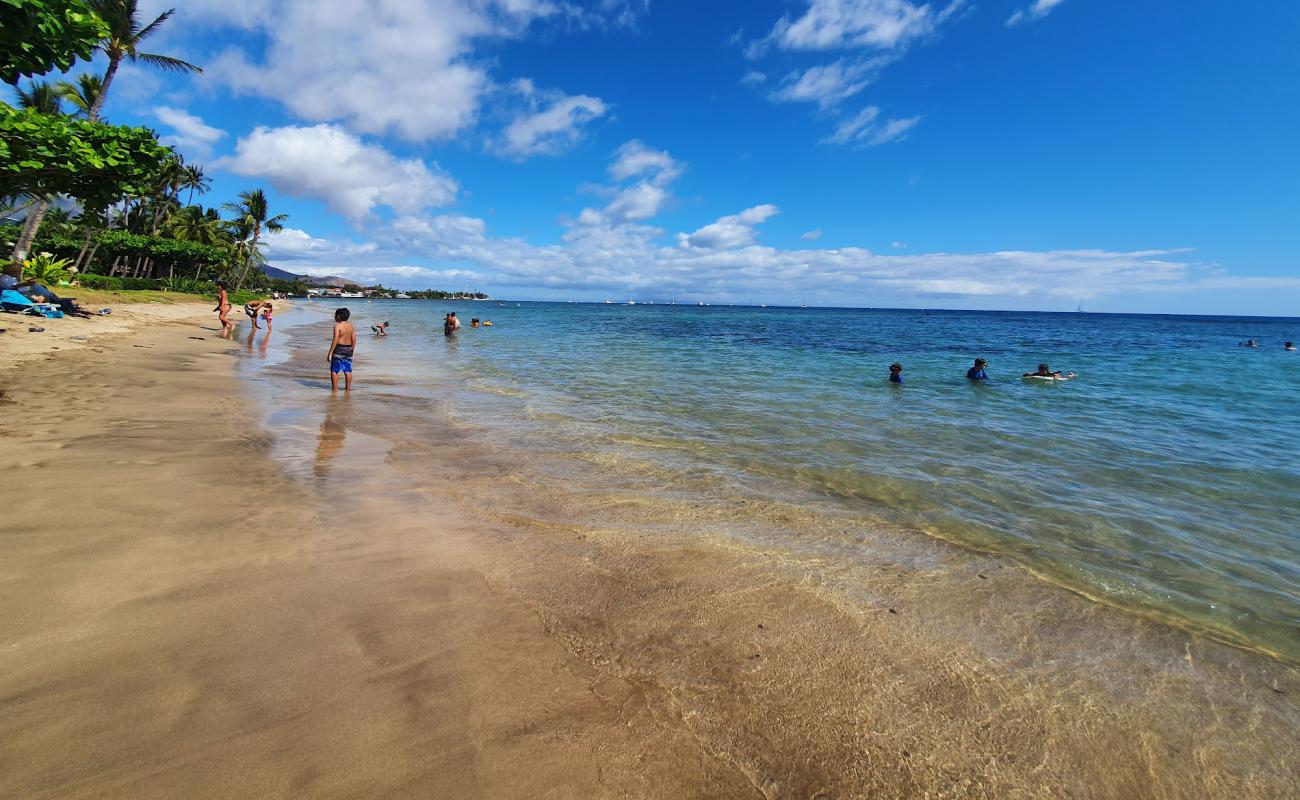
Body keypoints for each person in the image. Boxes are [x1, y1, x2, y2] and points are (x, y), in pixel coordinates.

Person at [328, 307, 356, 392]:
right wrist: (352, 351)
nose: (334, 317)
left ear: (339, 316)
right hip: (349, 349)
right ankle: (348, 389)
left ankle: (334, 390)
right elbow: (354, 339)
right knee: (348, 369)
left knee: (334, 370)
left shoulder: (337, 326)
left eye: (335, 315)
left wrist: (330, 353)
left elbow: (335, 339)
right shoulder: (351, 326)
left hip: (339, 349)